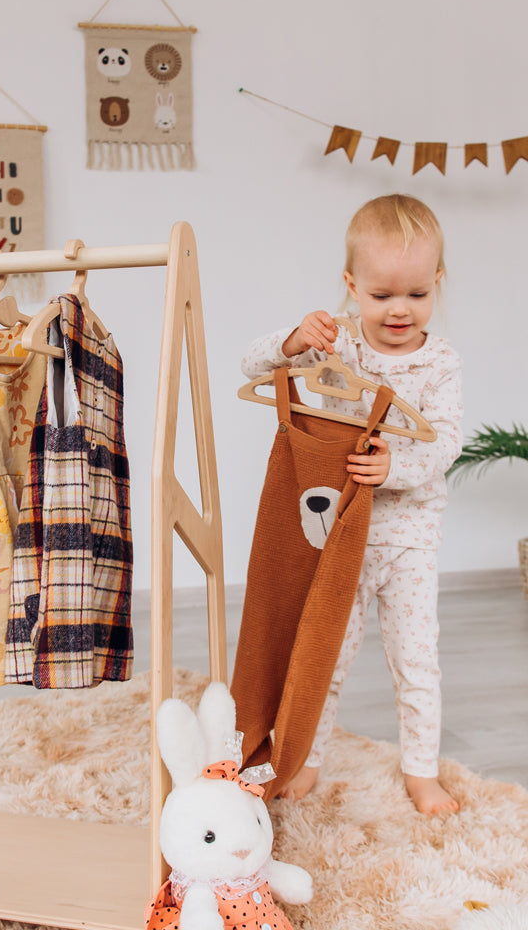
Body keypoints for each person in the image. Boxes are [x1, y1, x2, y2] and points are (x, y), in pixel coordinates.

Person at [241, 193, 463, 814]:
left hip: (411, 542)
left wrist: (397, 466)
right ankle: (305, 757)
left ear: (436, 284)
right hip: (342, 537)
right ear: (351, 286)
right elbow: (252, 365)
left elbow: (445, 441)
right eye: (382, 294)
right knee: (327, 655)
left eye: (417, 295)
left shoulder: (441, 362)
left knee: (417, 662)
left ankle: (421, 769)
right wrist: (290, 341)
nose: (399, 310)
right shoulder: (337, 346)